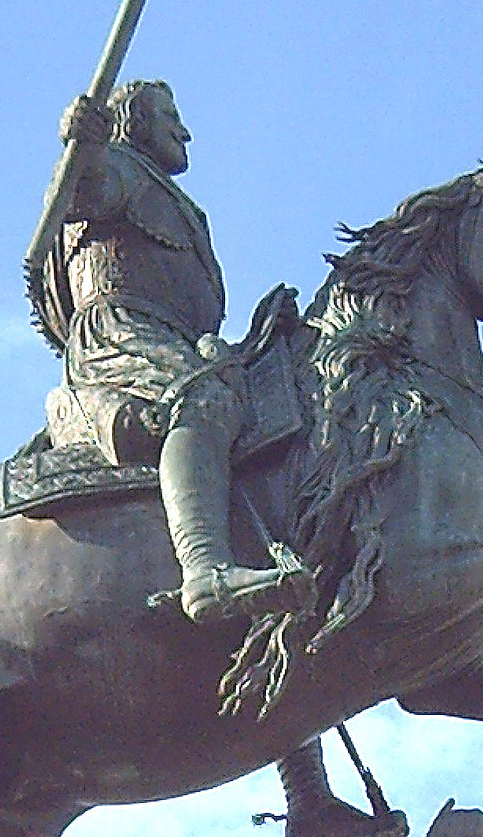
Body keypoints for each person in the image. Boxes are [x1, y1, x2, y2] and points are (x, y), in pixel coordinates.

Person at [44, 79, 314, 623]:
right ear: (135, 123)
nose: (184, 129)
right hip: (120, 330)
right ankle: (206, 570)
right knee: (203, 398)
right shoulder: (119, 167)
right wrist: (82, 144)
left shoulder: (168, 194)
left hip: (173, 337)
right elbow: (80, 196)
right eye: (169, 116)